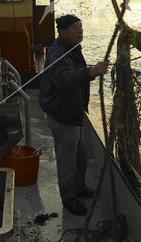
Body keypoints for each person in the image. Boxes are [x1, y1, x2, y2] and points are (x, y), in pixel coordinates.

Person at [39, 14, 109, 215]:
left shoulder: (71, 49)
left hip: (72, 114)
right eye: (75, 27)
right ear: (62, 31)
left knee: (81, 158)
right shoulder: (58, 54)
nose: (80, 30)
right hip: (63, 117)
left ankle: (79, 189)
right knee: (67, 163)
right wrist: (90, 73)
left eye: (81, 26)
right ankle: (69, 199)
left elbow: (74, 74)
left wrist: (91, 71)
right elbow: (64, 79)